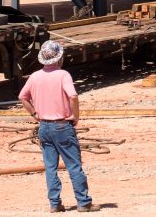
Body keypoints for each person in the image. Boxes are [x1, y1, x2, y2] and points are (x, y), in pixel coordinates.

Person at [19, 40, 97, 213]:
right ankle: (83, 203)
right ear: (59, 58)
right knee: (74, 165)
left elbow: (22, 97)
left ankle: (55, 204)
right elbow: (73, 96)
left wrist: (34, 114)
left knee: (50, 167)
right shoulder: (63, 75)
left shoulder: (34, 76)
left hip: (44, 127)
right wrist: (75, 117)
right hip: (62, 126)